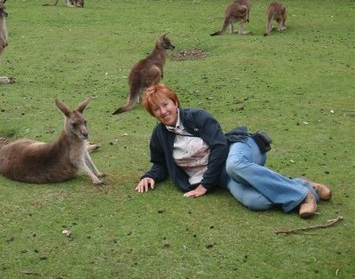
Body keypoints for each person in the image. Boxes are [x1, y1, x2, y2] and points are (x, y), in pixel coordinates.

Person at [135, 83, 332, 218]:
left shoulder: (196, 117)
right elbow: (160, 163)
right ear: (152, 114)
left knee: (234, 165)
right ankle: (303, 186)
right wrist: (149, 176)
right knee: (256, 202)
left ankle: (301, 196)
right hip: (223, 177)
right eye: (156, 109)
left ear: (175, 102)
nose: (163, 111)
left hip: (240, 149)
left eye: (165, 104)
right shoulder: (159, 135)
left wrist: (205, 185)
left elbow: (220, 146)